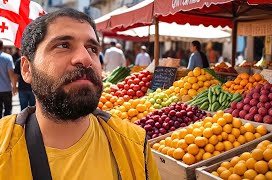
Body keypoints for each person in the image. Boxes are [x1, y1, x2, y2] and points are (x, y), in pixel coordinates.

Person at [0, 8, 160, 180]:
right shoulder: (4, 148)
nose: (85, 58)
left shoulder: (134, 145)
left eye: (92, 48)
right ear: (26, 69)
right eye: (63, 45)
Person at [0, 39, 15, 118]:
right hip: (6, 88)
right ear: (2, 46)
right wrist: (14, 86)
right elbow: (11, 73)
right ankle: (5, 127)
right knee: (8, 109)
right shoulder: (7, 57)